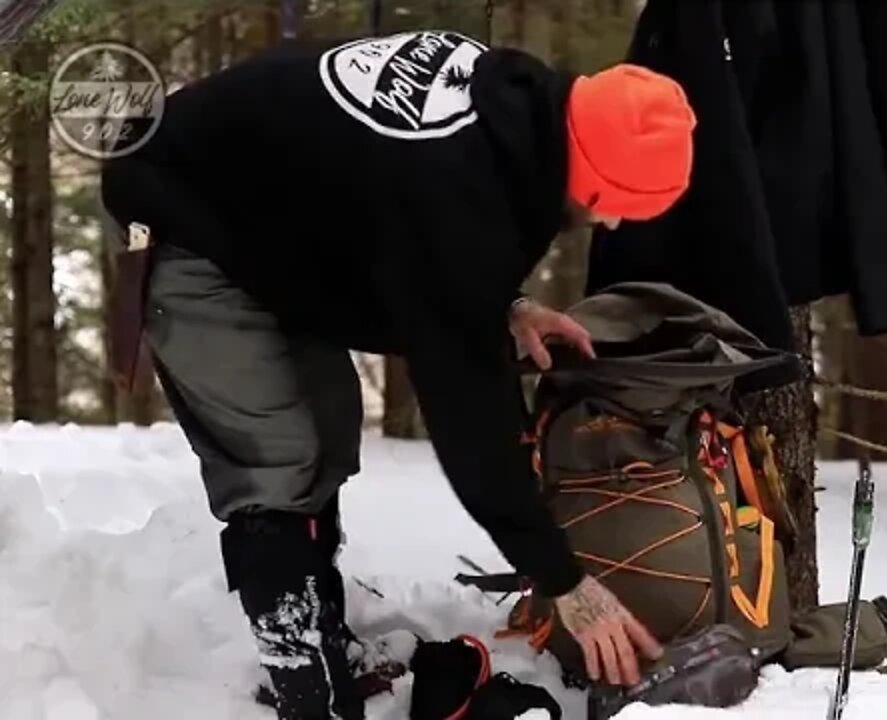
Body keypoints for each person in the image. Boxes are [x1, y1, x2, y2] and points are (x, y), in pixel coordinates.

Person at [100, 29, 696, 720]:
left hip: (268, 213)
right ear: (591, 169)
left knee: (325, 433)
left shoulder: (516, 106)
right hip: (179, 209)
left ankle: (326, 651)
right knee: (275, 460)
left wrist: (504, 305)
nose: (614, 222)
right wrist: (567, 583)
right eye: (616, 202)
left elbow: (390, 208)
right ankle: (309, 694)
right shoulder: (459, 194)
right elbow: (472, 428)